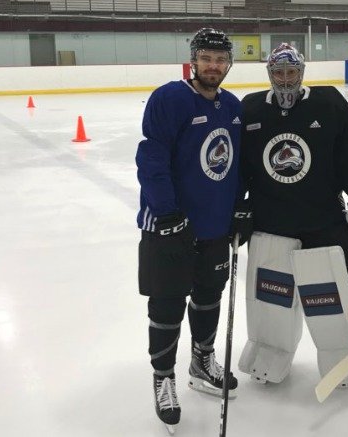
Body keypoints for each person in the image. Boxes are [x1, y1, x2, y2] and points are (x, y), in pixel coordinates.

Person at [237, 43, 348, 387]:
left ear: (302, 72)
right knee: (270, 302)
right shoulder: (251, 109)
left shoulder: (328, 104)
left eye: (291, 73)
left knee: (328, 300)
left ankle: (339, 359)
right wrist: (236, 207)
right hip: (271, 225)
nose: (285, 81)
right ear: (269, 74)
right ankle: (270, 352)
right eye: (278, 73)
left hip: (322, 224)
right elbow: (239, 167)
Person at [135, 27, 245, 432]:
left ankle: (202, 360)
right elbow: (152, 157)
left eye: (220, 59)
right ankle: (163, 377)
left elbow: (235, 165)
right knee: (167, 303)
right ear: (193, 60)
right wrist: (166, 213)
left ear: (228, 63)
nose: (213, 66)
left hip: (213, 226)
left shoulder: (232, 106)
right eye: (207, 58)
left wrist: (239, 208)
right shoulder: (170, 98)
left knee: (208, 296)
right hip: (169, 227)